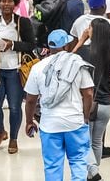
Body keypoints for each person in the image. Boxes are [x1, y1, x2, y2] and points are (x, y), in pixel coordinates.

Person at [24, 29, 94, 181]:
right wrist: (85, 117)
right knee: (78, 162)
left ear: (49, 47)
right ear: (67, 45)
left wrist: (29, 121)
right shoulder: (77, 64)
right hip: (75, 123)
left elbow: (30, 99)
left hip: (49, 125)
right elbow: (88, 94)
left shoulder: (37, 68)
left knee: (52, 166)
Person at [0, 0, 35, 154]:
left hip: (15, 71)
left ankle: (13, 138)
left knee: (15, 107)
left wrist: (12, 44)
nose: (6, 4)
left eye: (10, 1)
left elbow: (31, 45)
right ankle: (0, 131)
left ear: (15, 3)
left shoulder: (22, 22)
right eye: (3, 1)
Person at [72, 18, 110, 181]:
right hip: (105, 104)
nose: (88, 30)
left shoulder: (84, 52)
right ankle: (94, 171)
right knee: (97, 142)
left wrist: (81, 41)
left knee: (84, 142)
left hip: (88, 103)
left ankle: (92, 172)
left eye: (90, 28)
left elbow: (69, 60)